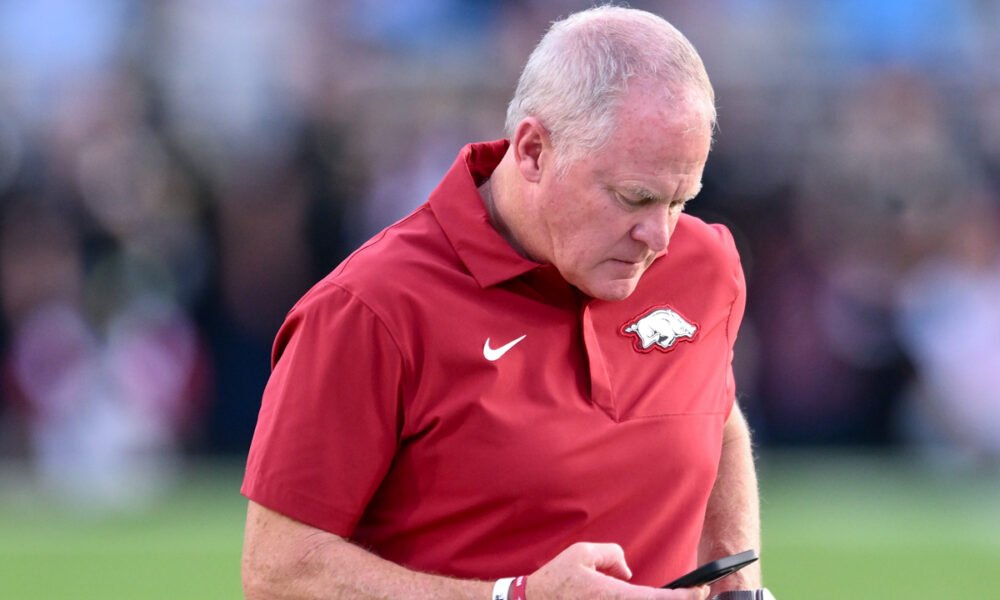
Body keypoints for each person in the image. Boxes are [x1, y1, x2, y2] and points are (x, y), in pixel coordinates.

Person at [242, 6, 770, 600]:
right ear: (533, 152)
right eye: (633, 197)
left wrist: (736, 580)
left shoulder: (704, 266)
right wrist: (510, 597)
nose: (661, 236)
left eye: (679, 200)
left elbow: (713, 415)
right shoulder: (369, 309)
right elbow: (278, 572)